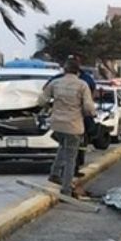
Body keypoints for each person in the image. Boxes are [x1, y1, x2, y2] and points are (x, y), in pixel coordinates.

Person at [38, 59, 96, 196]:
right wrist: (92, 113)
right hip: (73, 125)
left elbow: (41, 101)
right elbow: (88, 107)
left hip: (57, 124)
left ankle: (54, 173)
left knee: (62, 148)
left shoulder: (55, 83)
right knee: (71, 157)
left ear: (64, 70)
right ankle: (66, 189)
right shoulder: (82, 85)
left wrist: (50, 107)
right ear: (78, 71)